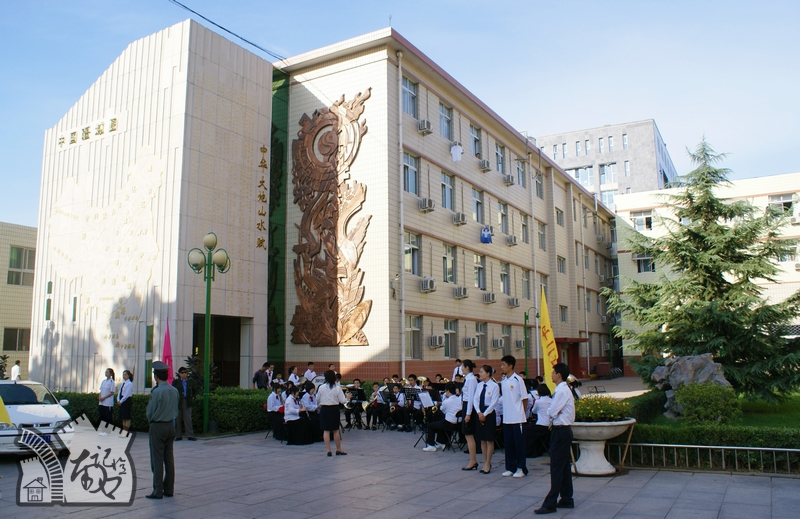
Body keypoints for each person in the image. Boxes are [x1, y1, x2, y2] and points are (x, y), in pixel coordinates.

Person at [535, 363, 576, 515]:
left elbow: (551, 411)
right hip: (561, 431)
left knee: (557, 467)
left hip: (561, 431)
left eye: (553, 372)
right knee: (563, 466)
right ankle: (567, 498)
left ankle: (550, 503)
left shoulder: (561, 391)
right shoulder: (562, 390)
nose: (551, 375)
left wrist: (553, 411)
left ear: (559, 375)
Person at [146, 361, 179, 499]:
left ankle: (157, 490)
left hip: (158, 426)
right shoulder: (174, 390)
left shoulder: (157, 392)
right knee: (169, 458)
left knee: (157, 459)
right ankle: (169, 489)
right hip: (170, 426)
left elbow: (150, 412)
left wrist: (151, 421)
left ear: (156, 376)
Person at [499, 355, 528, 478]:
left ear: (510, 366)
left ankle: (521, 468)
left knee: (519, 444)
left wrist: (522, 414)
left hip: (517, 418)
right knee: (509, 443)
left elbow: (524, 398)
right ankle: (510, 467)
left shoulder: (518, 380)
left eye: (504, 365)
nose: (502, 367)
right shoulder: (503, 381)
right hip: (507, 418)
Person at [473, 365, 499, 474]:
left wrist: (485, 414)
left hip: (489, 413)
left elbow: (494, 402)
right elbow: (475, 399)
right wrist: (479, 412)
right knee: (482, 440)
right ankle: (484, 462)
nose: (480, 374)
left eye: (482, 372)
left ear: (488, 374)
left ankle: (488, 463)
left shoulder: (494, 386)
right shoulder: (479, 385)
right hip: (479, 412)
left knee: (489, 440)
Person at [422, 382, 460, 452]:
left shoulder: (447, 401)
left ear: (448, 391)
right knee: (441, 421)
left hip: (449, 424)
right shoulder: (459, 399)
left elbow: (442, 410)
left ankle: (431, 445)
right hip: (458, 424)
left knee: (431, 425)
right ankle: (441, 442)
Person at [316, 370, 346, 456]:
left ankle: (328, 450)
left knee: (326, 431)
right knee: (335, 430)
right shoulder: (337, 388)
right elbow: (342, 400)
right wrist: (347, 398)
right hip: (334, 409)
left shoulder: (321, 387)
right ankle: (338, 449)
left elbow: (317, 399)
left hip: (324, 409)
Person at [460, 359, 478, 471]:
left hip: (468, 406)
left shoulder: (471, 379)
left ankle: (473, 461)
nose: (461, 369)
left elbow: (471, 397)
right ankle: (472, 460)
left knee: (469, 435)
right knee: (467, 435)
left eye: (462, 366)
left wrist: (468, 414)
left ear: (467, 367)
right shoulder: (468, 378)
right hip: (466, 405)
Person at [172, 367, 196, 441]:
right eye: (182, 373)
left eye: (185, 372)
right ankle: (178, 435)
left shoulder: (190, 382)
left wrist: (193, 398)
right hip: (178, 401)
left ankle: (190, 435)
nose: (184, 374)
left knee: (188, 418)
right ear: (179, 374)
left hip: (187, 401)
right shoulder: (176, 382)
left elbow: (194, 390)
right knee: (178, 418)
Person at [98, 368, 115, 434]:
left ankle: (108, 430)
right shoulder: (103, 381)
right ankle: (103, 430)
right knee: (102, 416)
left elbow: (112, 392)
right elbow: (101, 390)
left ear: (111, 374)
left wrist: (104, 397)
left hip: (107, 403)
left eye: (107, 372)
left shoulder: (111, 382)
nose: (106, 373)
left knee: (108, 417)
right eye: (105, 372)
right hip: (101, 402)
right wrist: (100, 397)